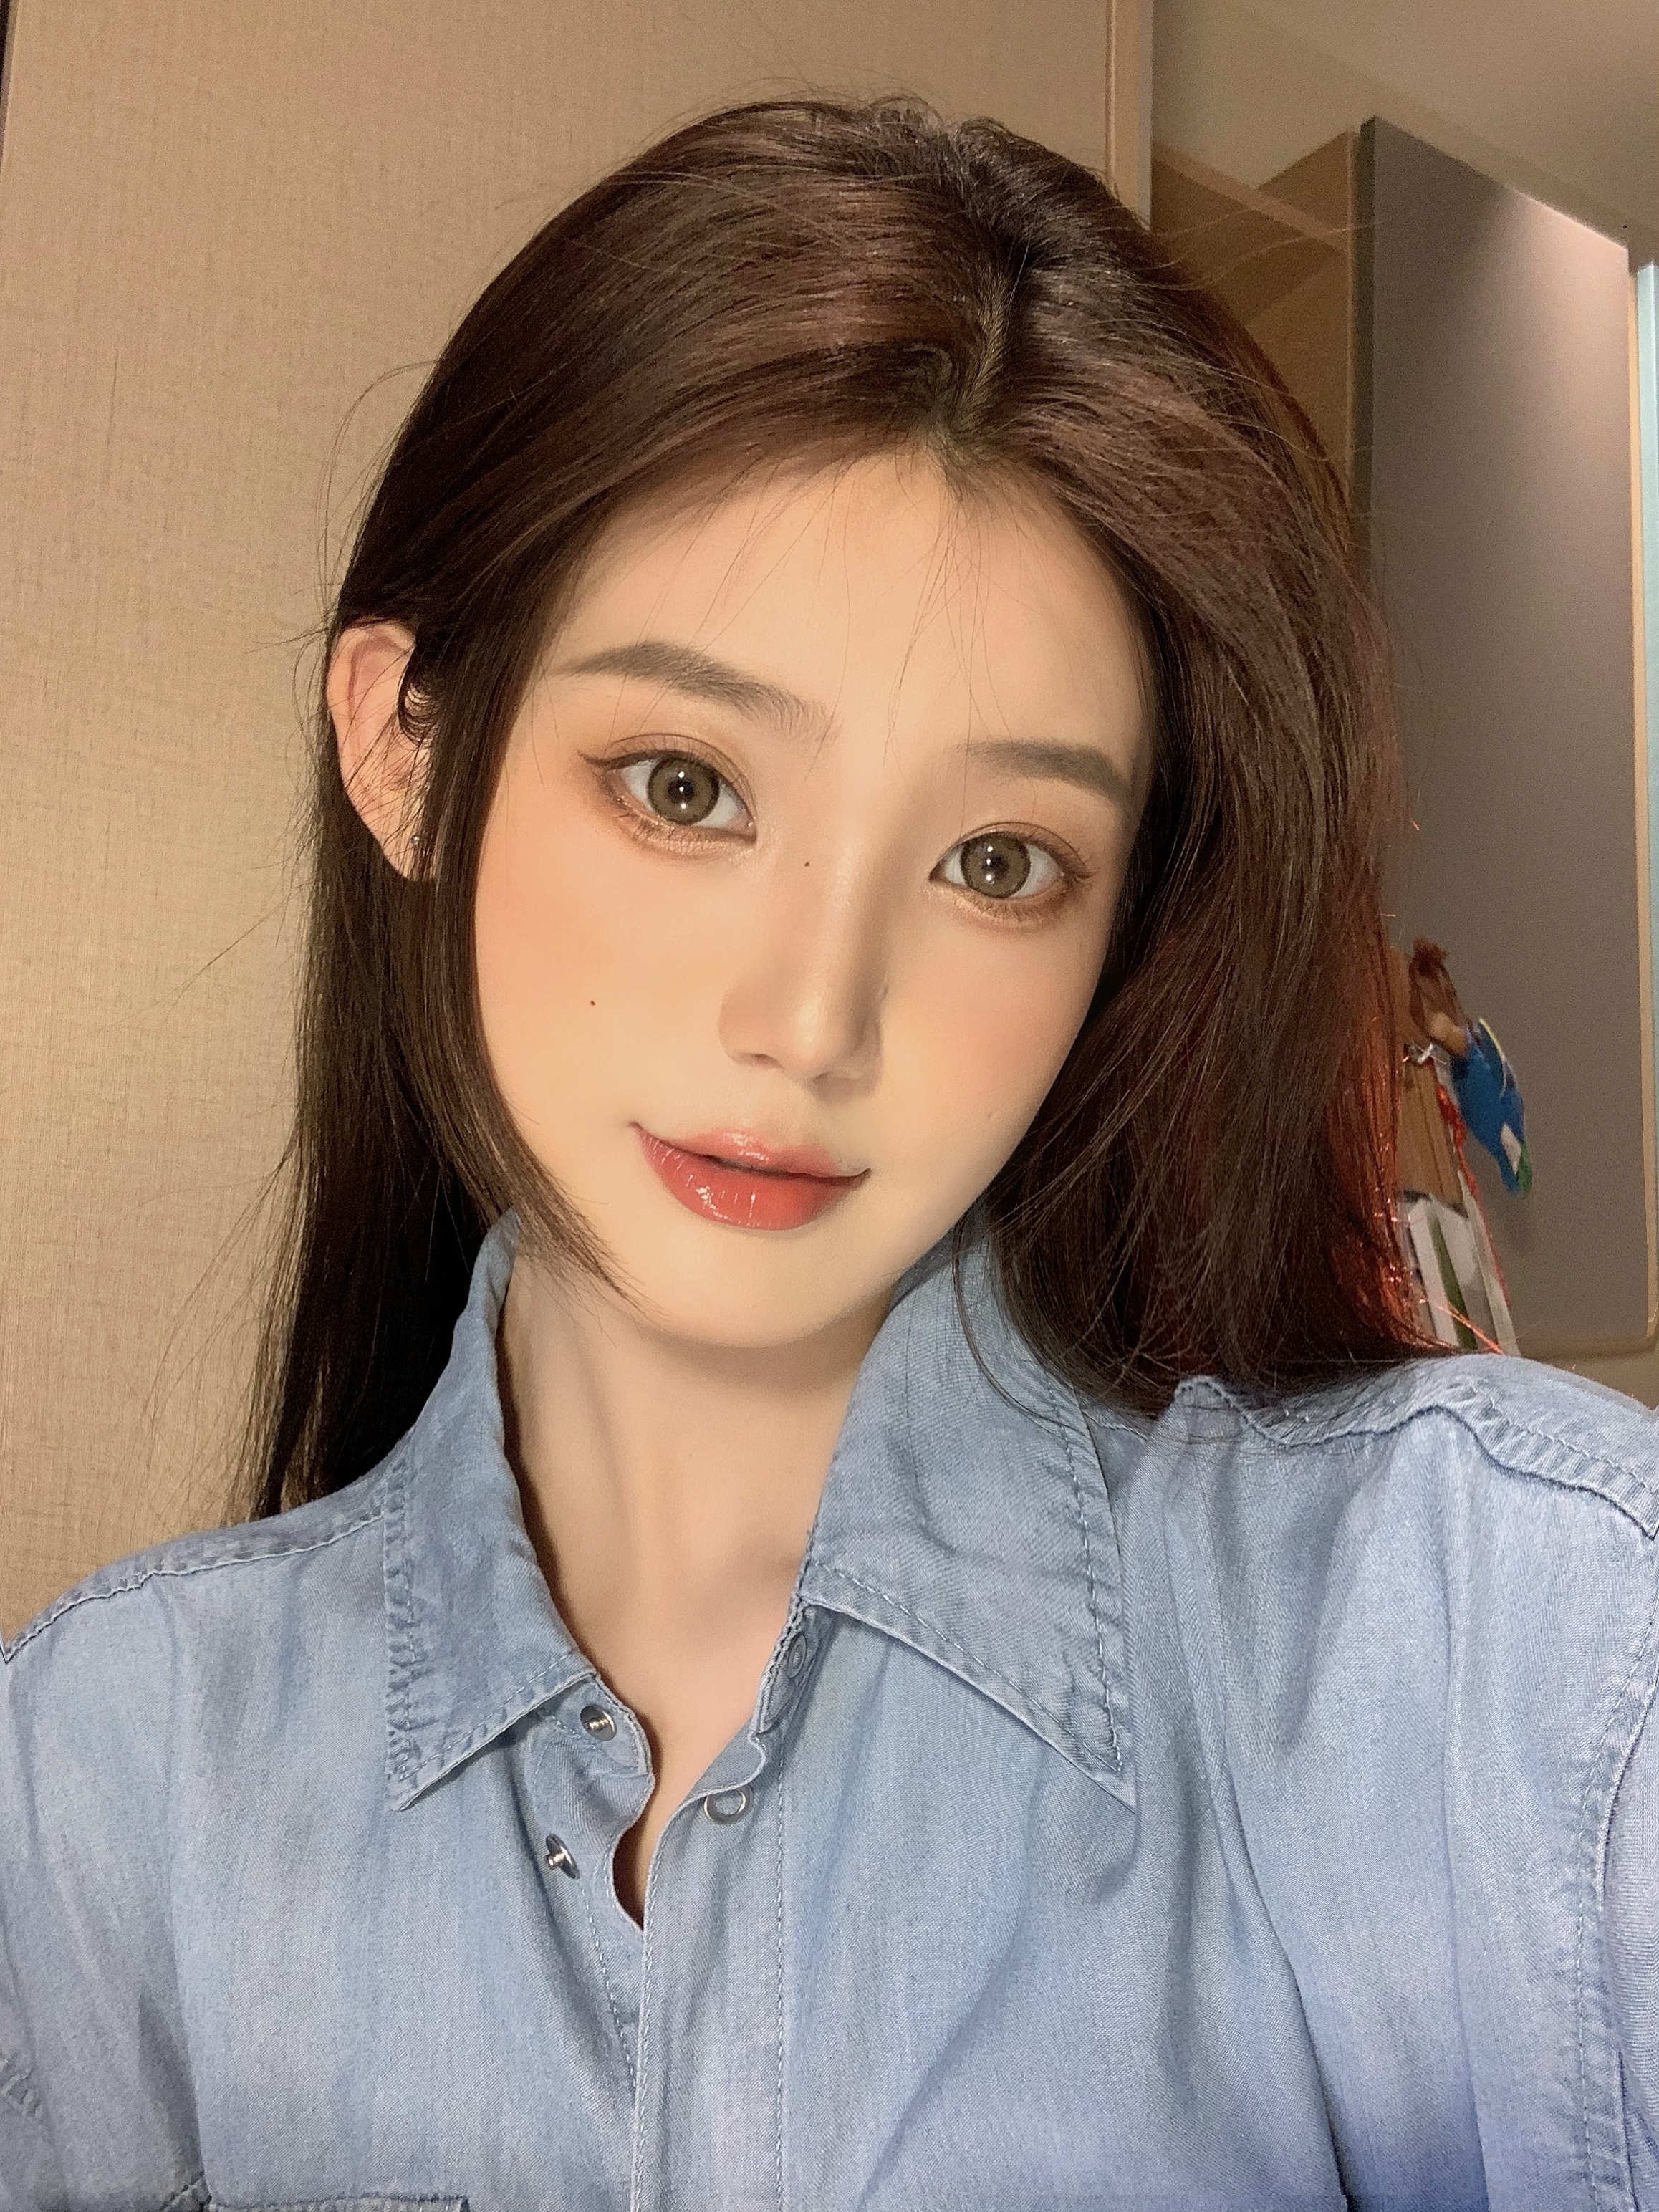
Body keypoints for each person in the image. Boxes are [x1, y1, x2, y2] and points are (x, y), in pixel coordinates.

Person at [1, 95, 1654, 2212]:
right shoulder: (101, 1782)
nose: (813, 1018)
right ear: (403, 746)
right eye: (684, 785)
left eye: (997, 859)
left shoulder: (1496, 1650)